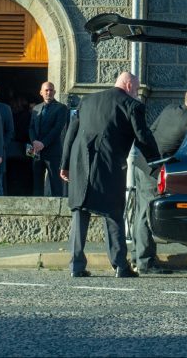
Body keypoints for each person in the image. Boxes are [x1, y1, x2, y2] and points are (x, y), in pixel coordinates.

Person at [59, 72, 159, 278]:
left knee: (80, 211)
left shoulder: (87, 101)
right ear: (129, 85)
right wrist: (156, 163)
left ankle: (76, 266)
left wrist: (65, 164)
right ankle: (120, 265)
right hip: (109, 164)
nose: (136, 92)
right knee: (113, 213)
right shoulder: (132, 106)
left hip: (80, 162)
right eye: (136, 88)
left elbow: (71, 132)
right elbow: (143, 137)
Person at [130, 86, 187, 274]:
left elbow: (151, 131)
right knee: (145, 216)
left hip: (141, 163)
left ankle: (136, 256)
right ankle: (145, 263)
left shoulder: (170, 109)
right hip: (154, 170)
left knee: (139, 211)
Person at [29, 82, 70, 197]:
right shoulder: (36, 108)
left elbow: (57, 129)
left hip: (53, 152)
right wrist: (34, 142)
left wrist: (43, 143)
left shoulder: (61, 108)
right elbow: (31, 127)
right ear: (41, 92)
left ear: (55, 92)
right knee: (37, 182)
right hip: (36, 151)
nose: (49, 92)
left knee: (55, 183)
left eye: (51, 90)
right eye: (46, 90)